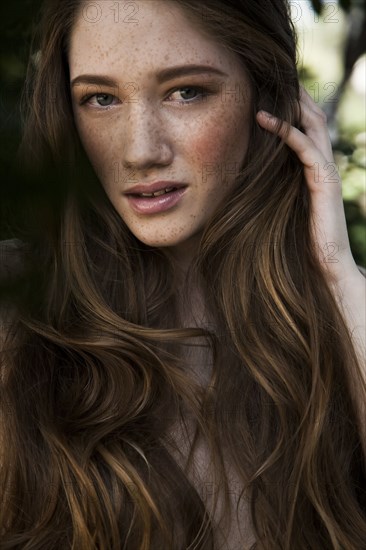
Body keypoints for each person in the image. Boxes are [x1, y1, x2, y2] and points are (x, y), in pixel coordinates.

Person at [1, 0, 365, 548]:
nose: (140, 150)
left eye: (186, 91)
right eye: (100, 99)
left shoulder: (339, 319)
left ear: (267, 97)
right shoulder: (16, 303)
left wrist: (338, 275)